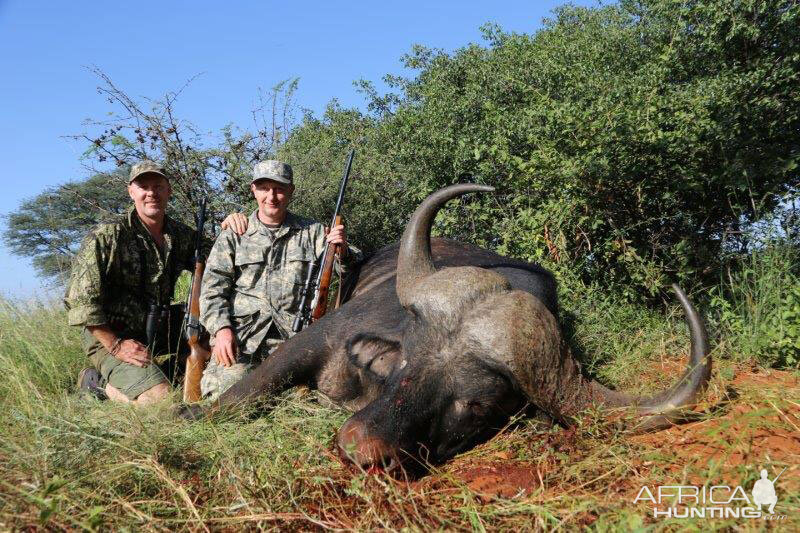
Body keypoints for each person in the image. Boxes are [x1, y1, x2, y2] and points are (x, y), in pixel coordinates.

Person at [199, 160, 360, 400]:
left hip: (294, 343)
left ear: (291, 191)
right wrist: (222, 330)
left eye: (280, 189)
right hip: (242, 341)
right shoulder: (234, 234)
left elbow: (351, 268)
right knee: (224, 401)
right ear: (253, 190)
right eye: (264, 188)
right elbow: (212, 290)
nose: (271, 196)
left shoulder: (314, 231)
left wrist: (343, 250)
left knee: (310, 402)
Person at [66, 160, 208, 404]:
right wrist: (116, 345)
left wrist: (233, 224)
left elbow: (220, 257)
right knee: (160, 401)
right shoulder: (108, 235)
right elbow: (79, 301)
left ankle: (163, 372)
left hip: (159, 326)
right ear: (131, 191)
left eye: (158, 186)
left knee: (214, 334)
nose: (151, 193)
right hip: (111, 335)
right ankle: (98, 384)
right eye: (144, 187)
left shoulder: (180, 234)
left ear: (168, 191)